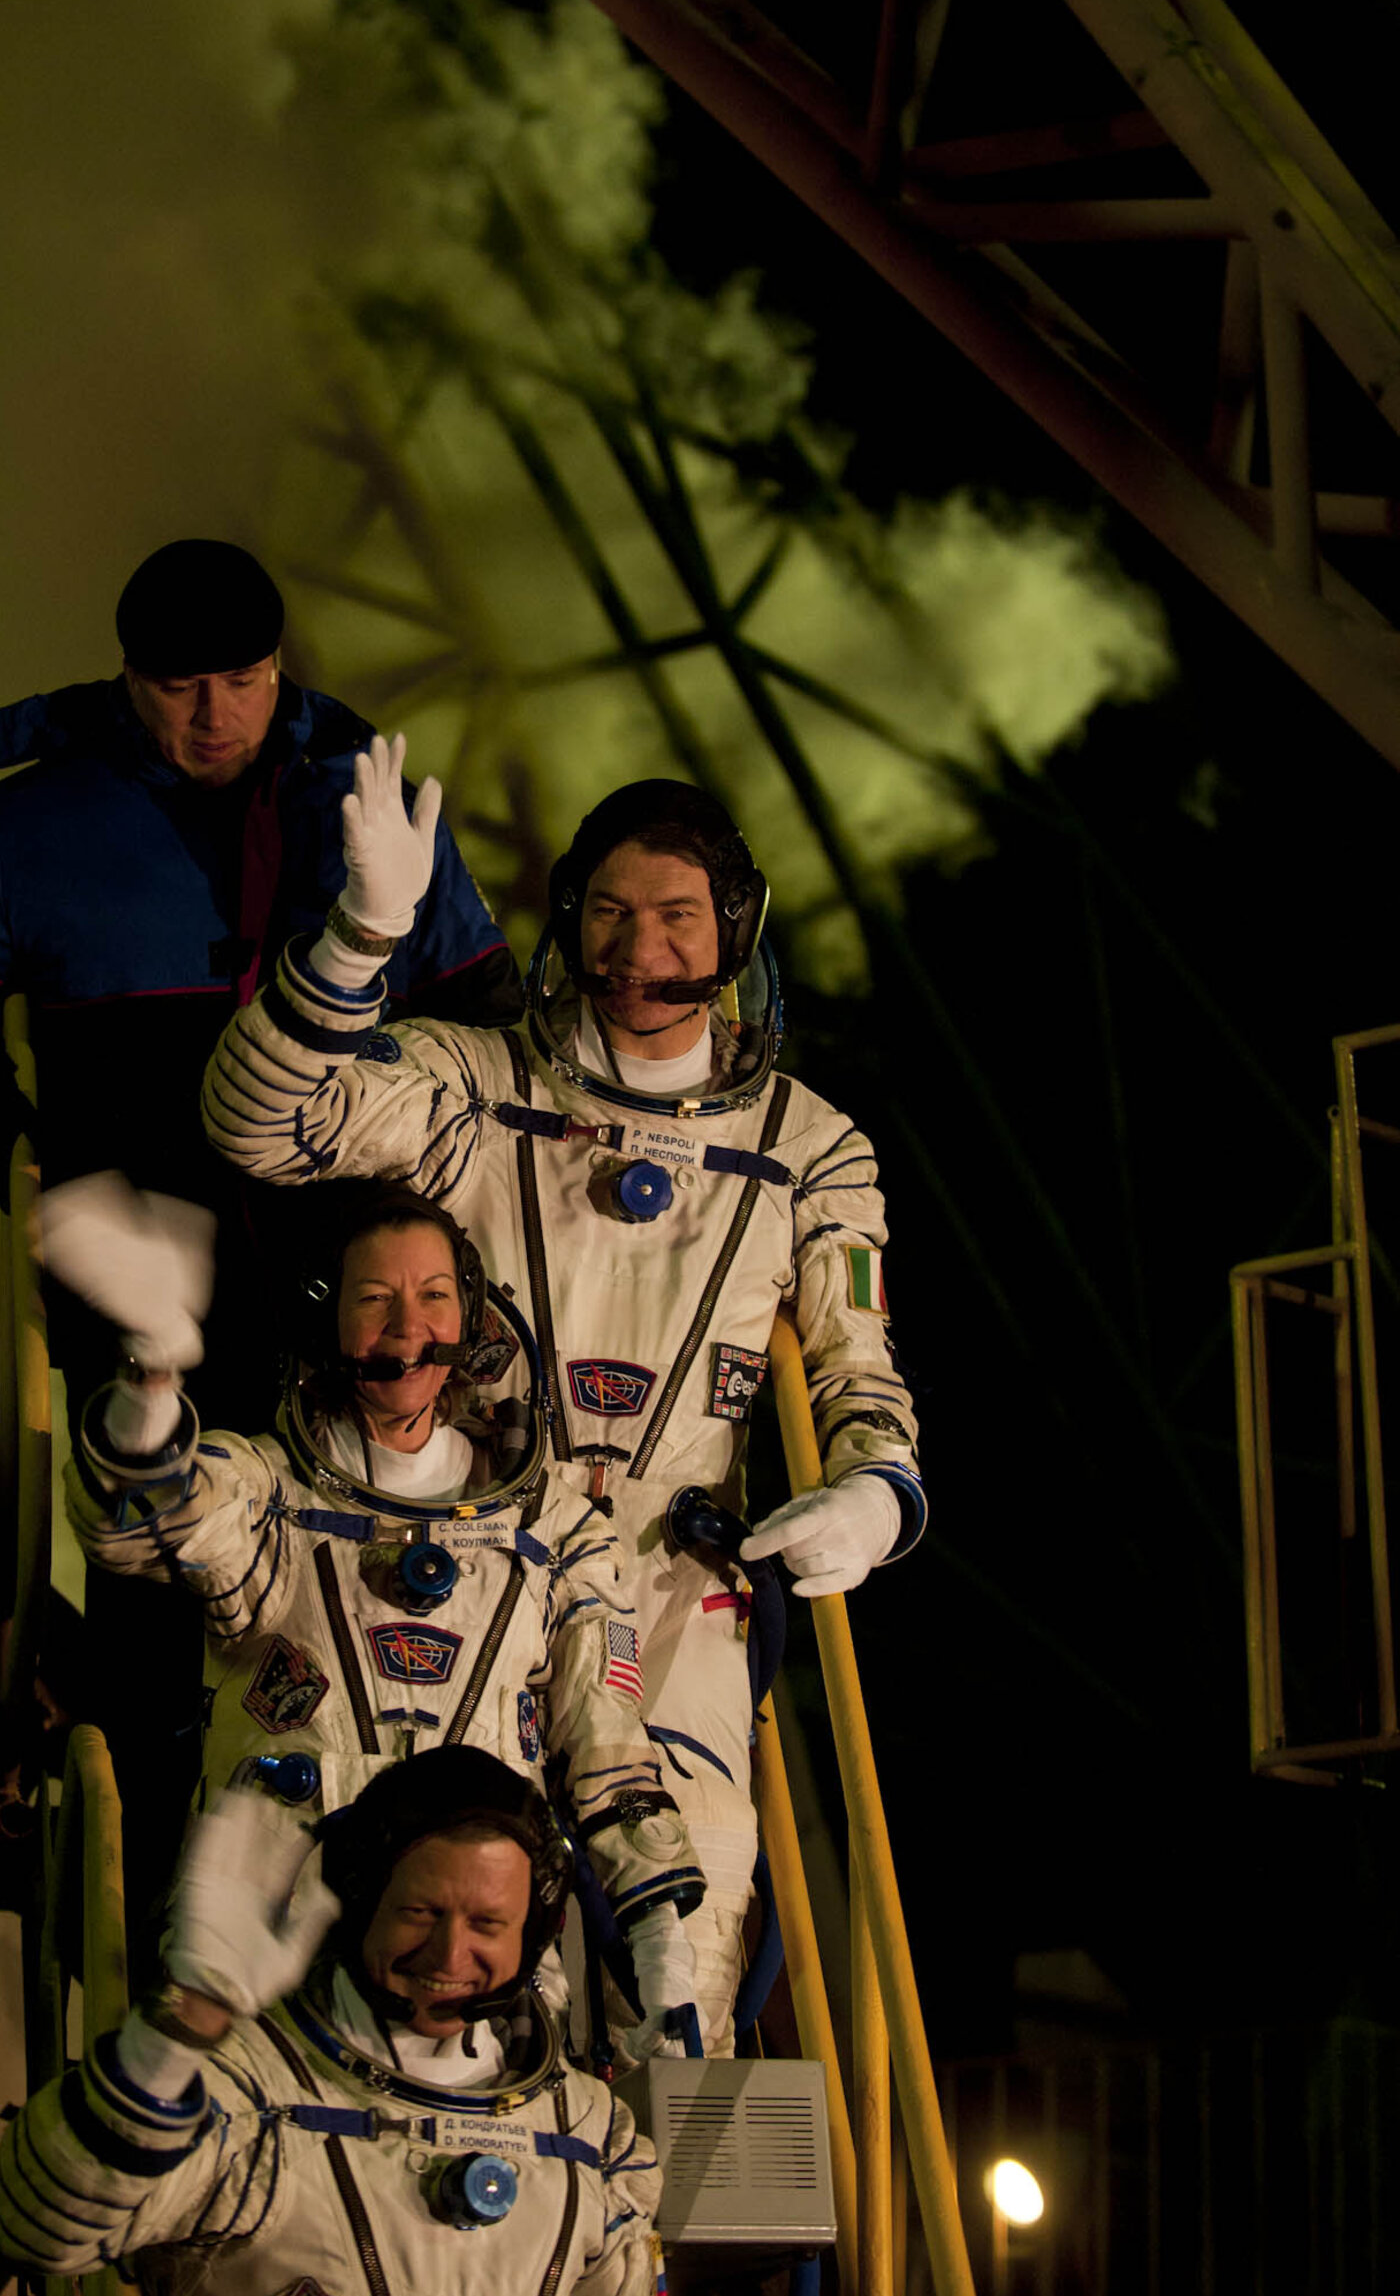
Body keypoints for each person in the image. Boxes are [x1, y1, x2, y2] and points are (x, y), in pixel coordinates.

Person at [200, 765, 925, 2047]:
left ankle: (663, 2235)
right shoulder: (473, 1091)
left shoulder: (810, 1148)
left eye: (678, 917)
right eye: (609, 911)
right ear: (567, 921)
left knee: (688, 1926)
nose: (640, 948)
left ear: (737, 932)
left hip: (672, 1581)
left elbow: (857, 1360)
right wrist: (362, 931)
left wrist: (876, 1490)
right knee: (439, 1921)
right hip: (465, 1554)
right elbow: (262, 1123)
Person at [43, 1169, 704, 2046]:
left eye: (433, 1295)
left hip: (480, 1972)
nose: (406, 1326)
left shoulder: (557, 1530)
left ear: (469, 1322)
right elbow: (142, 1520)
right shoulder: (267, 1491)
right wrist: (154, 1376)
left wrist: (662, 1945)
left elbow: (609, 1746)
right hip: (273, 1950)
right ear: (329, 1321)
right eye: (375, 1297)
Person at [0, 539, 515, 1418]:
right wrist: (15, 1151)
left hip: (359, 1276)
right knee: (152, 1536)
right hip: (138, 1269)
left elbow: (492, 1025)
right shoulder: (24, 829)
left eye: (244, 678)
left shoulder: (370, 809)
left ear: (279, 665)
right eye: (180, 687)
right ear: (128, 676)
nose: (216, 714)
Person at [0, 1749, 692, 2296]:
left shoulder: (588, 2136)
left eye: (488, 1923)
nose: (450, 1958)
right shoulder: (249, 2090)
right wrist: (188, 2019)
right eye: (420, 1913)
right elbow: (42, 2219)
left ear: (534, 1932)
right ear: (360, 1897)